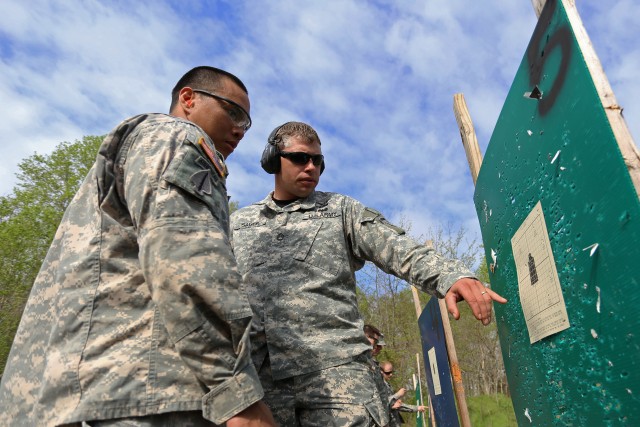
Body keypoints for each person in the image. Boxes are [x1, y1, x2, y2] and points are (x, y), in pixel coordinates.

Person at [0, 66, 275, 427]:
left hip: (91, 393)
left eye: (248, 122)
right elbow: (186, 264)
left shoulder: (141, 150)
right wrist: (237, 393)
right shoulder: (177, 137)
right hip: (144, 395)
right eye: (233, 111)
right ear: (188, 99)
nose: (241, 128)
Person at [230, 121, 507, 426]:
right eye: (299, 158)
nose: (311, 167)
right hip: (261, 385)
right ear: (272, 160)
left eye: (318, 161)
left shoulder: (339, 210)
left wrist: (450, 276)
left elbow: (397, 247)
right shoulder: (238, 225)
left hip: (339, 378)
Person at [380, 361, 427, 426]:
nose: (391, 374)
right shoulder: (378, 386)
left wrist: (417, 408)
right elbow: (380, 403)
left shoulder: (387, 385)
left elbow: (397, 405)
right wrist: (398, 395)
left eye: (392, 372)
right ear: (381, 372)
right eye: (388, 373)